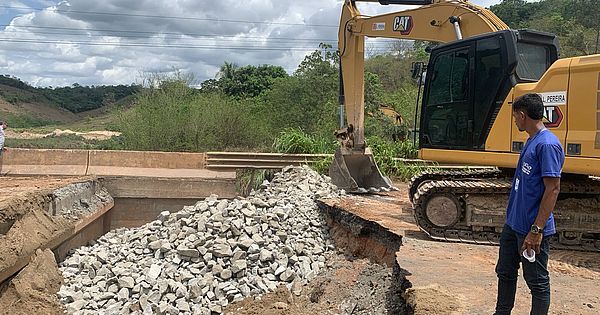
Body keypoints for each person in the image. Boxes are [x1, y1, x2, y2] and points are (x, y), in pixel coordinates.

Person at [494, 93, 564, 315]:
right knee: (505, 272)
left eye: (515, 116)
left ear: (522, 115)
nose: (515, 121)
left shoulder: (547, 145)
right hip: (513, 225)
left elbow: (552, 189)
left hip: (530, 229)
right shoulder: (531, 140)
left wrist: (536, 230)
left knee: (537, 282)